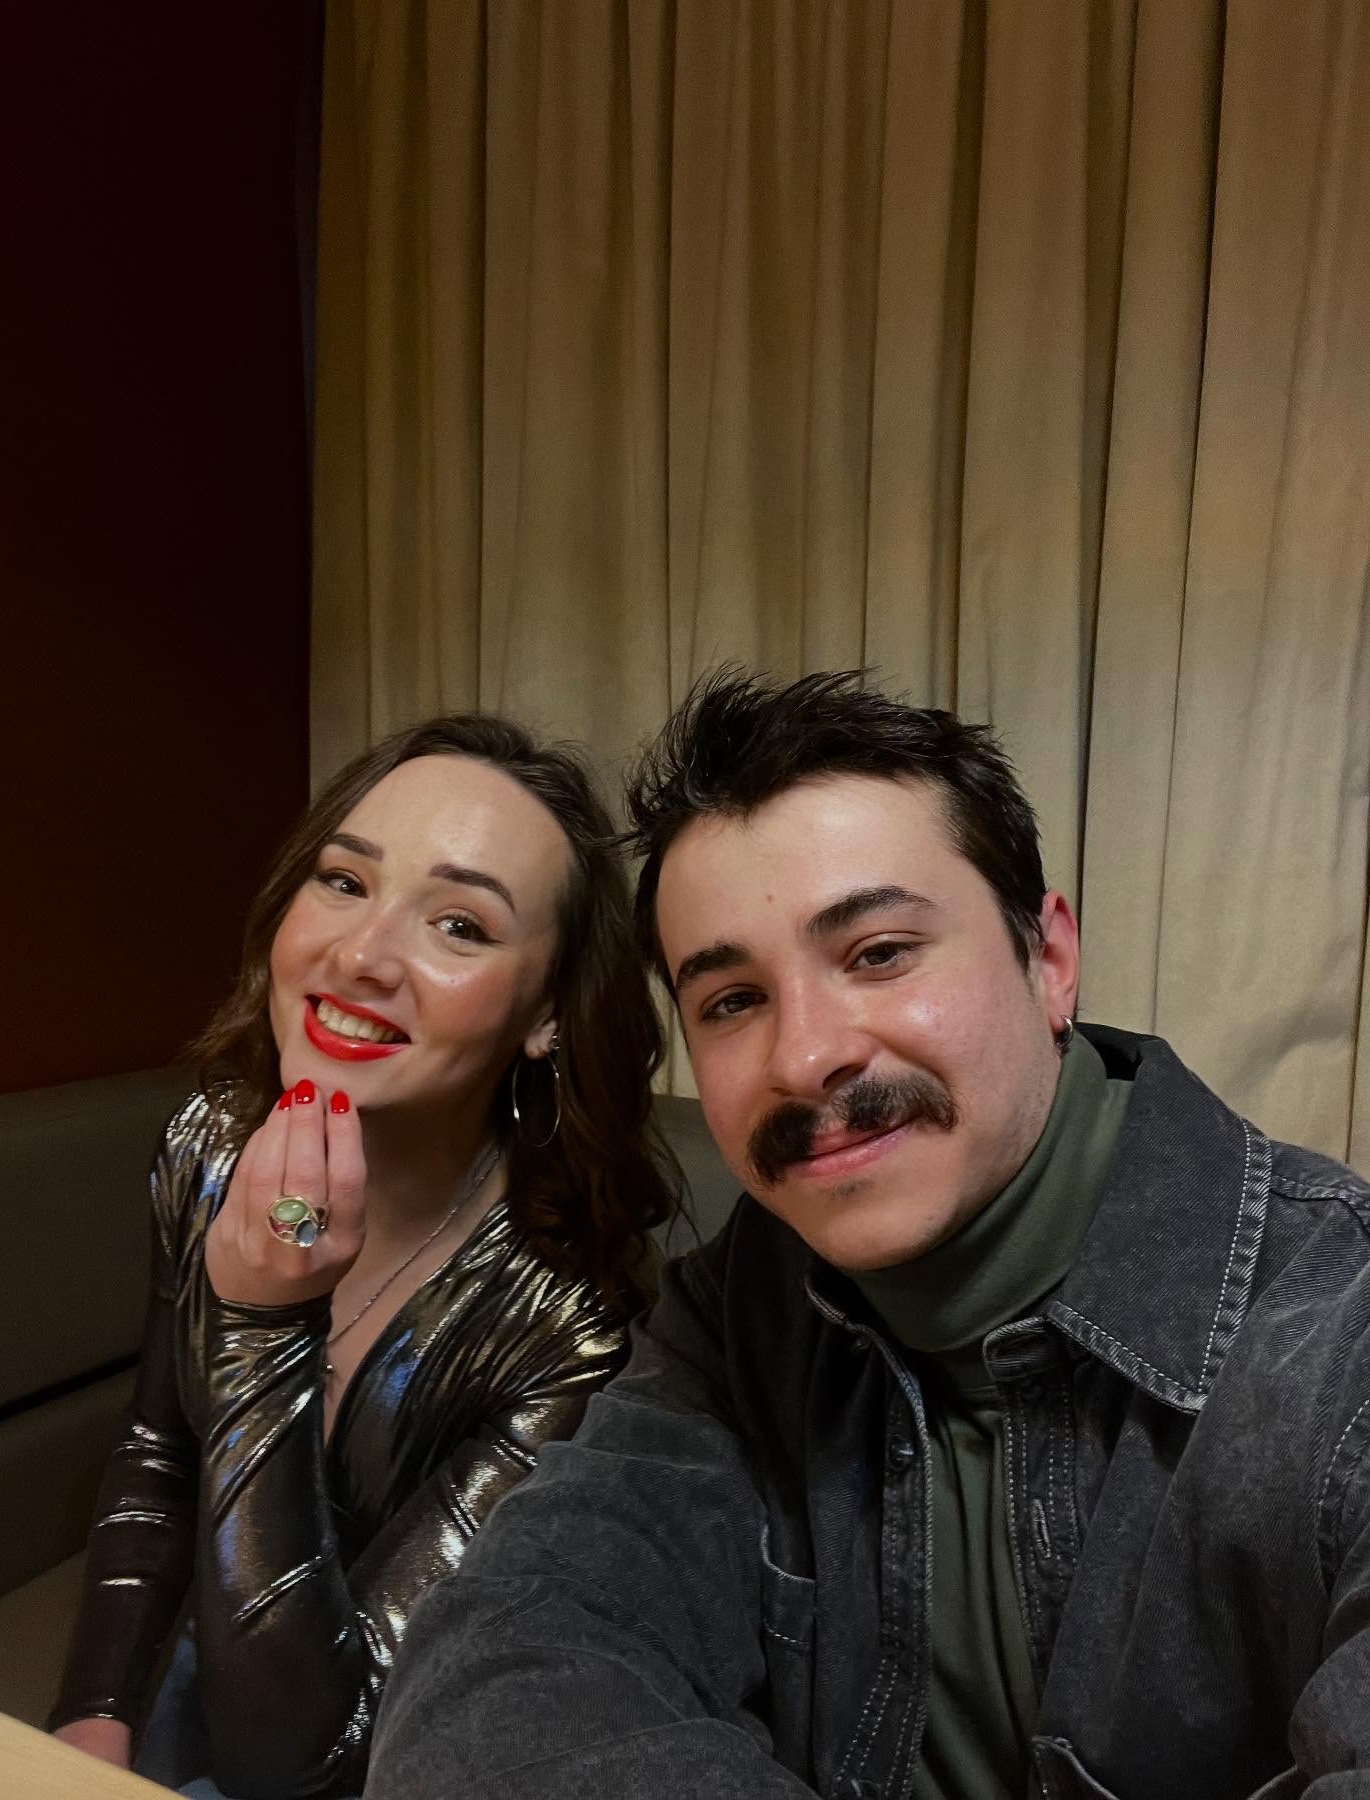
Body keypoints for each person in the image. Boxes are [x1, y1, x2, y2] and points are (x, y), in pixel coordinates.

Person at [363, 669, 1370, 1800]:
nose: (805, 1058)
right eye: (733, 1001)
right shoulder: (742, 1310)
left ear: (1049, 959)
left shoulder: (1337, 1338)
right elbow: (494, 1687)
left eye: (880, 952)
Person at [48, 713, 675, 1799]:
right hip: (213, 1659)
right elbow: (159, 1452)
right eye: (344, 882)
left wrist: (261, 1322)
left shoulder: (571, 1327)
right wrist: (93, 1713)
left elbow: (306, 1759)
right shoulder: (208, 1146)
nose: (359, 956)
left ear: (547, 1015)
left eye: (460, 925)